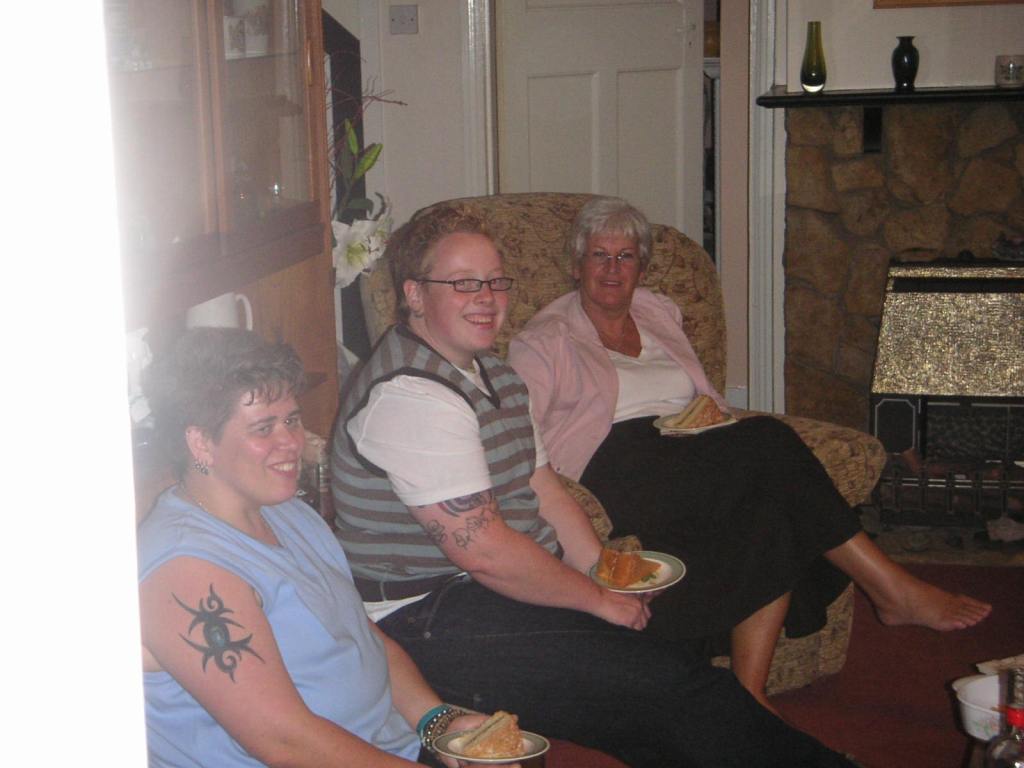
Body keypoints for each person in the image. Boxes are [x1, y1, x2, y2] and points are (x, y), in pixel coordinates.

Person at [330, 206, 860, 768]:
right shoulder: (410, 397)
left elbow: (545, 489)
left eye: (495, 281)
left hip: (485, 591)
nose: (486, 298)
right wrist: (596, 600)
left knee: (669, 645)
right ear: (414, 294)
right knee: (666, 682)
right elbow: (484, 552)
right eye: (463, 283)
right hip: (427, 616)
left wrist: (605, 574)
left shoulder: (496, 375)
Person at [506, 195, 992, 709]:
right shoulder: (545, 339)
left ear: (641, 268)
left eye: (625, 256)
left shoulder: (657, 311)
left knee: (766, 505)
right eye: (599, 256)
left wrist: (712, 423)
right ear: (577, 265)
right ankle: (891, 587)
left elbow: (703, 394)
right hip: (617, 462)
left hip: (693, 443)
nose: (612, 268)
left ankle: (750, 695)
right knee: (769, 441)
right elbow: (520, 433)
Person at [137, 327, 505, 768]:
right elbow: (284, 741)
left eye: (291, 420)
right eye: (263, 428)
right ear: (200, 443)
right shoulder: (187, 570)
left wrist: (439, 723)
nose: (291, 442)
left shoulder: (289, 513)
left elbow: (362, 639)